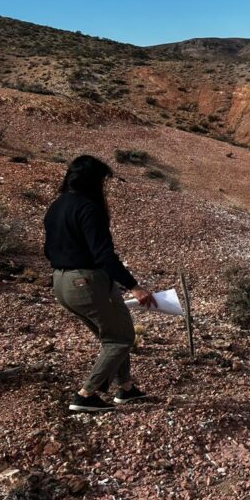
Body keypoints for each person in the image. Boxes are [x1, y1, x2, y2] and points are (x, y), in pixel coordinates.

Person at [44, 155, 156, 413]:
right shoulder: (89, 208)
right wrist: (134, 286)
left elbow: (48, 250)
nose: (104, 187)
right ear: (94, 181)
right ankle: (85, 395)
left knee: (115, 333)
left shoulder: (57, 205)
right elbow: (104, 255)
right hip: (87, 282)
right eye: (103, 181)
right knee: (121, 339)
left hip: (61, 282)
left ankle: (126, 389)